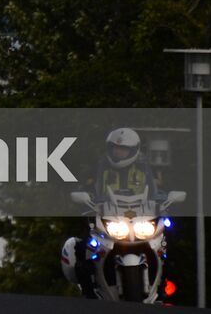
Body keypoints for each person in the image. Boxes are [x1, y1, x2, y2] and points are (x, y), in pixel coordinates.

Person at [69, 127, 162, 298]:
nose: (119, 152)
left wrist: (164, 199)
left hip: (139, 217)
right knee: (83, 247)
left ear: (134, 150)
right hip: (107, 216)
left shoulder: (145, 169)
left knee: (163, 244)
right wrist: (84, 196)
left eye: (124, 149)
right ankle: (88, 291)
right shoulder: (99, 167)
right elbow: (86, 186)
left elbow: (157, 191)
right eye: (115, 148)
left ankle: (163, 286)